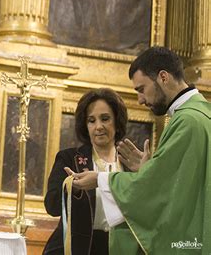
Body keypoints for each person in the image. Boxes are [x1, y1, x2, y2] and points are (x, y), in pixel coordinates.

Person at [68, 46, 211, 254]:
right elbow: (179, 185)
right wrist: (149, 168)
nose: (141, 100)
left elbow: (156, 190)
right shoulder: (202, 114)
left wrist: (99, 180)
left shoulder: (187, 121)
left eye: (141, 89)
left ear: (163, 77)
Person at [43, 88, 129, 255]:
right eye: (91, 120)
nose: (98, 127)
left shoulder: (131, 162)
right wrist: (72, 188)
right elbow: (52, 205)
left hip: (120, 248)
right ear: (85, 125)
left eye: (105, 119)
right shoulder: (68, 158)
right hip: (77, 248)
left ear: (117, 123)